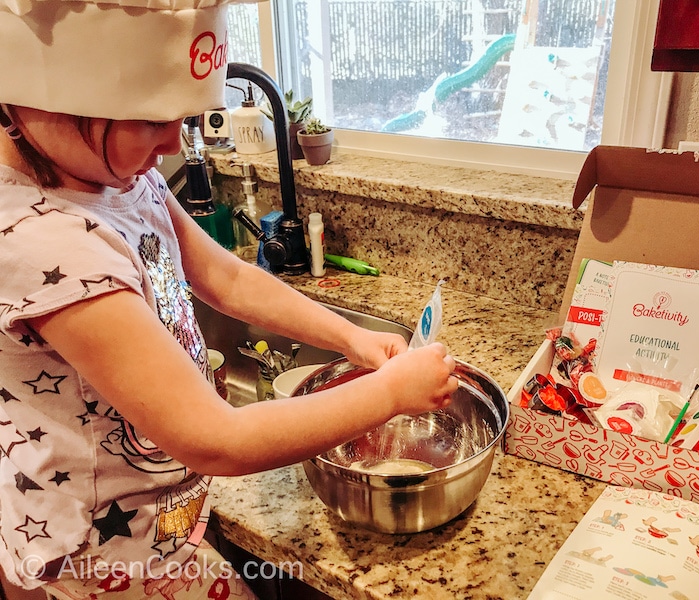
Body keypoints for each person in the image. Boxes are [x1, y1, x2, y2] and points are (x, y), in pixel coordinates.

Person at [0, 0, 458, 597]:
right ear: (32, 100)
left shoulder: (119, 180)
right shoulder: (43, 242)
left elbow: (228, 279)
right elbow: (215, 438)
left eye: (184, 118)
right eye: (148, 118)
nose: (171, 144)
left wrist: (351, 337)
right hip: (108, 556)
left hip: (162, 520)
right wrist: (391, 394)